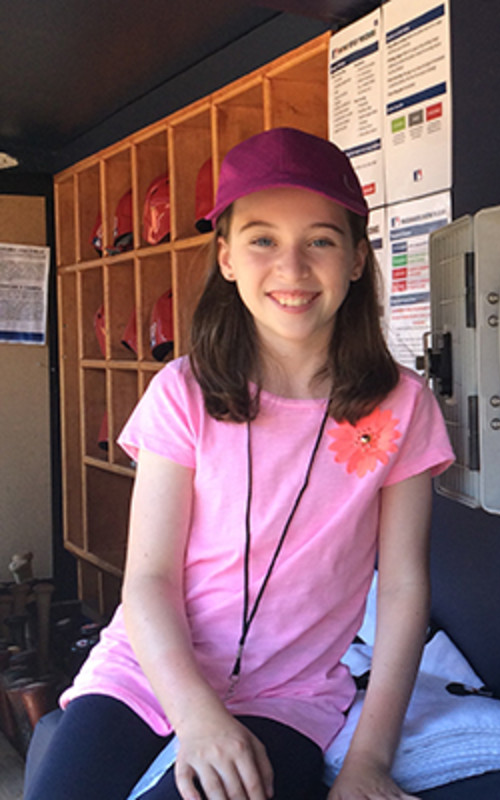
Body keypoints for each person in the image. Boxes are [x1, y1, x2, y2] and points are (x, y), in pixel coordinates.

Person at [26, 127, 455, 800]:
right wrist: (197, 718)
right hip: (146, 670)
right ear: (225, 256)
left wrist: (367, 760)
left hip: (287, 697)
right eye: (262, 239)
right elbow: (149, 578)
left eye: (320, 239)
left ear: (355, 260)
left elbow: (402, 589)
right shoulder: (182, 392)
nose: (292, 267)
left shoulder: (403, 406)